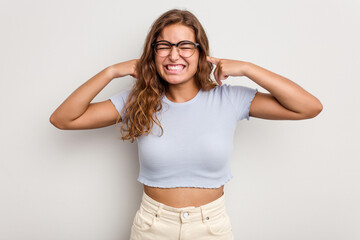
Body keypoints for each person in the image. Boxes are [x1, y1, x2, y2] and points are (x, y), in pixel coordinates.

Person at [50, 9, 322, 240]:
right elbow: (63, 119)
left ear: (201, 52)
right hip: (151, 227)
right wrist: (110, 72)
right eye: (164, 46)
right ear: (153, 53)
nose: (174, 55)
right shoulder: (138, 101)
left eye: (185, 46)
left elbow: (309, 107)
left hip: (212, 227)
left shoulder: (228, 99)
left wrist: (248, 68)